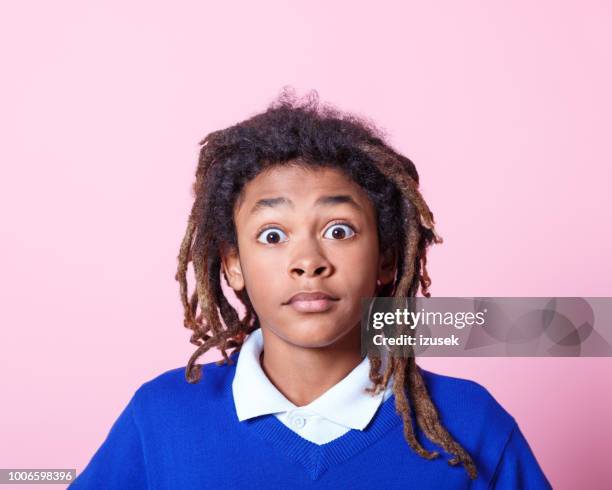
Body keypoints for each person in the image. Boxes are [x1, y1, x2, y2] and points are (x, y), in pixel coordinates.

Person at [70, 90, 552, 489]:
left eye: (339, 231)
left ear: (385, 259)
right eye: (273, 235)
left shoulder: (471, 424)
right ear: (233, 264)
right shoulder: (161, 419)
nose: (308, 262)